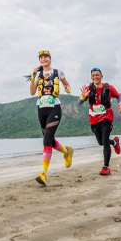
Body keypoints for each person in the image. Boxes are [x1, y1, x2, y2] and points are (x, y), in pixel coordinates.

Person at [29, 50, 74, 186]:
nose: (44, 59)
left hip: (54, 107)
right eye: (41, 58)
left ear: (50, 59)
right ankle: (67, 151)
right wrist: (32, 77)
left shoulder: (58, 72)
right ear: (39, 61)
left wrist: (67, 89)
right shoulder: (38, 75)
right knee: (49, 139)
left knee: (47, 140)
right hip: (41, 108)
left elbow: (67, 86)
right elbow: (32, 92)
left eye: (46, 57)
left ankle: (43, 173)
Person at [79, 68, 121, 175]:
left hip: (106, 118)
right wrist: (83, 97)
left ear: (101, 76)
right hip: (94, 120)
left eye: (97, 75)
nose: (95, 77)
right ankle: (114, 142)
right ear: (91, 77)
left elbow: (119, 96)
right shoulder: (88, 88)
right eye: (93, 75)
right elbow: (79, 102)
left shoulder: (109, 88)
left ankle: (106, 167)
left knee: (104, 141)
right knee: (101, 142)